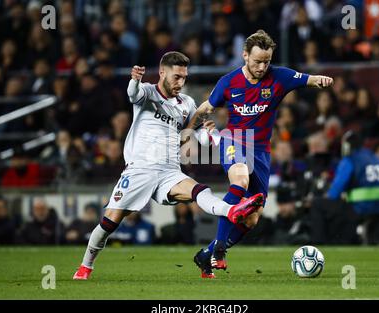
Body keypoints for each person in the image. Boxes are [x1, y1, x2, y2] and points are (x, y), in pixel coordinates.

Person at [73, 51, 264, 280]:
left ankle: (232, 210)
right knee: (109, 223)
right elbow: (133, 94)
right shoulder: (148, 92)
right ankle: (85, 266)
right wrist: (135, 80)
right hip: (140, 169)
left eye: (184, 77)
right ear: (162, 73)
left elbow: (196, 133)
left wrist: (212, 136)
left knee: (199, 190)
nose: (180, 83)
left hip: (169, 171)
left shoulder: (187, 104)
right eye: (176, 77)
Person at [188, 30, 333, 276]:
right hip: (234, 140)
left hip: (262, 151)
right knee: (240, 180)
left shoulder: (280, 77)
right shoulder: (229, 82)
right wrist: (187, 131)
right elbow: (207, 106)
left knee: (253, 219)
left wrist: (320, 79)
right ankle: (219, 249)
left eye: (267, 61)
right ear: (245, 56)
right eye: (257, 61)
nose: (262, 66)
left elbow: (307, 78)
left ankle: (205, 254)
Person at [309, 131, 379, 244]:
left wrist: (327, 195)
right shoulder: (375, 158)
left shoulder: (350, 159)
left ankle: (318, 244)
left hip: (362, 208)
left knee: (317, 204)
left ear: (346, 146)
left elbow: (334, 193)